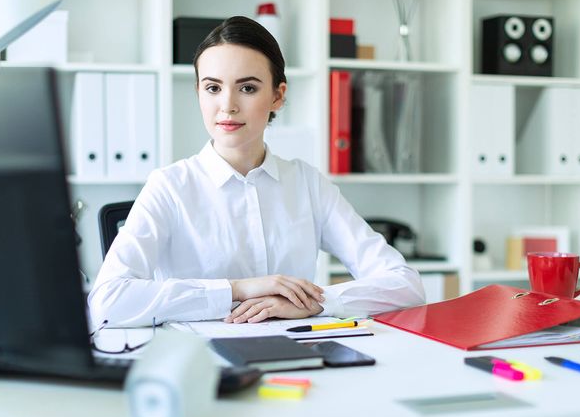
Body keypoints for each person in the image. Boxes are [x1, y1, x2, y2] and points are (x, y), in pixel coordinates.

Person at [88, 16, 425, 327]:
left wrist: (316, 303)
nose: (227, 105)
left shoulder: (306, 184)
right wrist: (236, 290)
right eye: (213, 88)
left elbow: (405, 285)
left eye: (247, 88)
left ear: (278, 96)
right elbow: (107, 301)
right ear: (199, 94)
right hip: (202, 362)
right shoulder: (170, 186)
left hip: (296, 353)